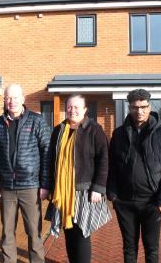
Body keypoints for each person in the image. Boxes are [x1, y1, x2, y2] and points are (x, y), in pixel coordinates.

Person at [108, 89, 161, 263]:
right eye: (134, 107)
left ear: (150, 107)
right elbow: (111, 166)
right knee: (129, 249)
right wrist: (113, 195)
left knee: (152, 250)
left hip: (152, 203)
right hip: (125, 203)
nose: (139, 111)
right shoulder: (118, 134)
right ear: (129, 108)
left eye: (143, 107)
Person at [0, 84, 50, 263]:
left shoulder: (36, 121)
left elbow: (46, 153)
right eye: (8, 98)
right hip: (6, 187)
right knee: (7, 232)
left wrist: (45, 184)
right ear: (5, 101)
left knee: (34, 232)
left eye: (15, 97)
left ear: (23, 99)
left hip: (30, 187)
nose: (11, 101)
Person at [47, 94, 111, 263]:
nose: (72, 110)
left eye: (76, 107)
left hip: (84, 191)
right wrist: (49, 186)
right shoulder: (59, 130)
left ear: (84, 109)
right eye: (69, 107)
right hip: (63, 191)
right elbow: (50, 160)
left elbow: (104, 159)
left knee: (82, 233)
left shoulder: (94, 130)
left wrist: (98, 187)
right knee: (69, 233)